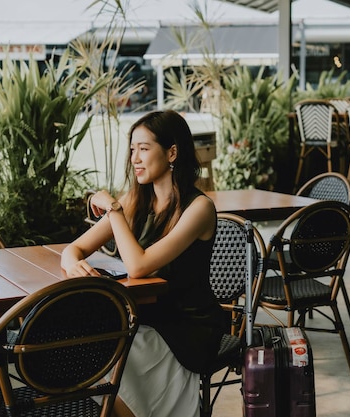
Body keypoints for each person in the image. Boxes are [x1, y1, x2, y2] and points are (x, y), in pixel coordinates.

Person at [61, 110, 228, 417]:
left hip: (186, 328)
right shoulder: (135, 200)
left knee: (107, 353)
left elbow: (139, 266)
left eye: (144, 148)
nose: (134, 158)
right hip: (145, 317)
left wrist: (113, 210)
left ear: (172, 152)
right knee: (85, 343)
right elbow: (74, 249)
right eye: (132, 149)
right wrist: (73, 263)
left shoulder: (199, 207)